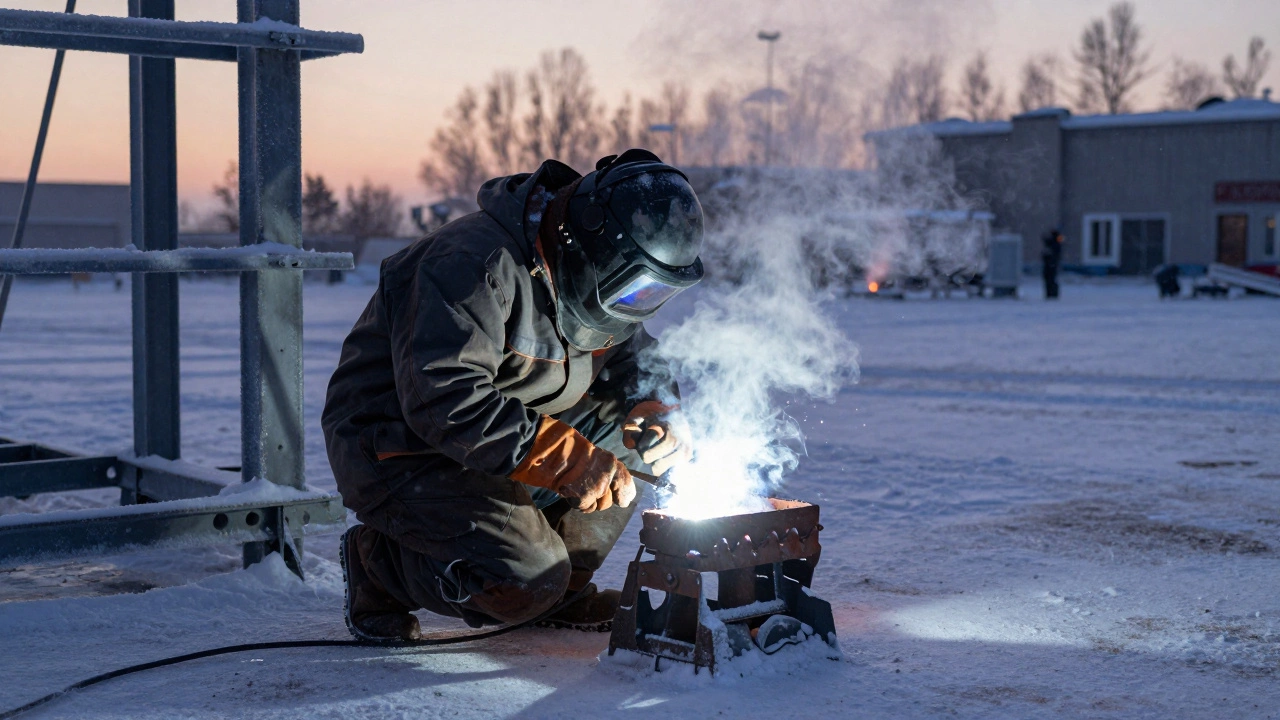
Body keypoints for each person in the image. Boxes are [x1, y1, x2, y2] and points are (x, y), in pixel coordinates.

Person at [321, 149, 703, 642]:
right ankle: (379, 568)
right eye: (634, 290)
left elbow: (630, 356)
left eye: (648, 295)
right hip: (402, 449)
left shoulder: (596, 283)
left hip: (500, 438)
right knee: (524, 580)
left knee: (630, 446)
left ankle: (559, 591)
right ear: (587, 242)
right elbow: (444, 397)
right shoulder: (473, 265)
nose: (636, 306)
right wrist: (564, 458)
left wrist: (658, 407)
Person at [1041, 229, 1064, 299]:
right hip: (1051, 264)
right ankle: (1051, 293)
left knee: (1050, 279)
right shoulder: (1056, 243)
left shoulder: (1054, 244)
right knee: (1050, 279)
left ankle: (1051, 294)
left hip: (1051, 264)